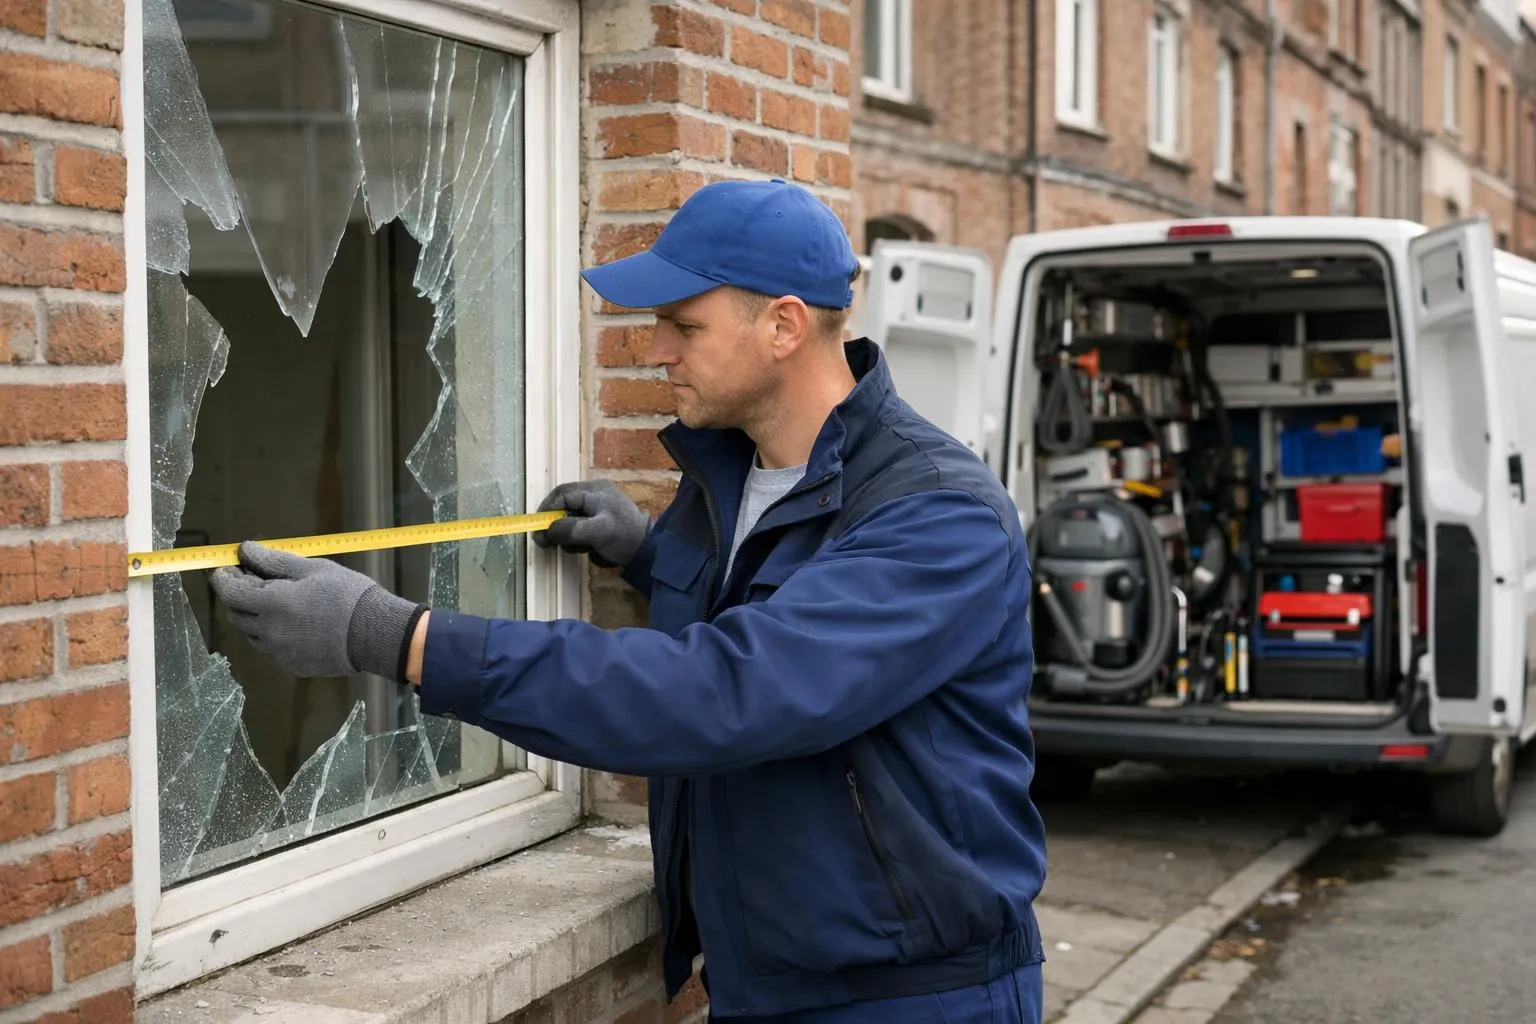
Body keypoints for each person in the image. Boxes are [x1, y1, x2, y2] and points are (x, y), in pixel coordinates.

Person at [209, 178, 1048, 1023]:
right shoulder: (734, 471)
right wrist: (650, 555)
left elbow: (731, 691)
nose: (657, 351)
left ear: (785, 325)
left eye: (684, 326)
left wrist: (399, 637)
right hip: (763, 981)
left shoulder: (940, 515)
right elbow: (775, 609)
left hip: (916, 998)